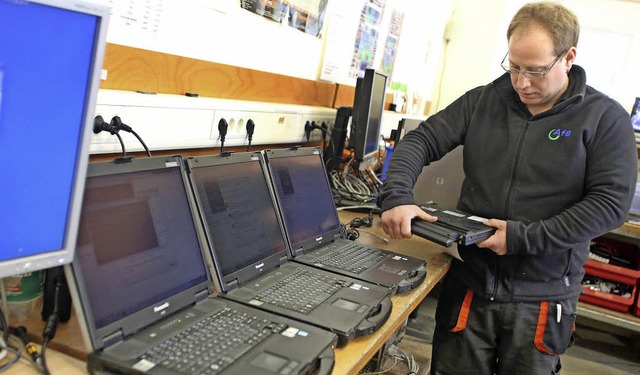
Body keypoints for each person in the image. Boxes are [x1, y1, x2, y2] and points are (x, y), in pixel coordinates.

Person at [378, 2, 638, 374]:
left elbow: (609, 205)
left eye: (535, 70)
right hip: (470, 283)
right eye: (514, 67)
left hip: (542, 297)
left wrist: (521, 238)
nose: (521, 83)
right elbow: (420, 142)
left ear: (568, 58)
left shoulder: (604, 119)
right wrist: (398, 197)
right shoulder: (484, 100)